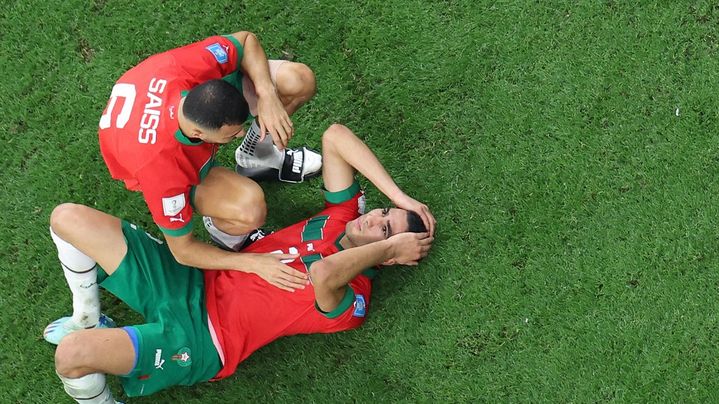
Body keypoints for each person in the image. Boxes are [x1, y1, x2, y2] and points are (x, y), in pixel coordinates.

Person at [45, 124, 436, 402]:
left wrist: (388, 249)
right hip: (191, 279)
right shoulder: (340, 217)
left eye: (384, 230)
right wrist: (400, 198)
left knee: (73, 356)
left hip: (201, 341)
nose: (373, 218)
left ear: (389, 256)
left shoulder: (354, 296)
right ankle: (87, 318)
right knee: (67, 218)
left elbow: (323, 273)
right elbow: (335, 136)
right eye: (382, 211)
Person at [98, 30, 322, 302]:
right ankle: (225, 231)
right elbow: (182, 250)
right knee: (249, 209)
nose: (240, 134)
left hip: (160, 118)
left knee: (297, 80)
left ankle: (258, 158)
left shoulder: (179, 70)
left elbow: (245, 41)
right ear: (199, 134)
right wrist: (253, 263)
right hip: (164, 159)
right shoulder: (163, 172)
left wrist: (267, 96)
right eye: (233, 135)